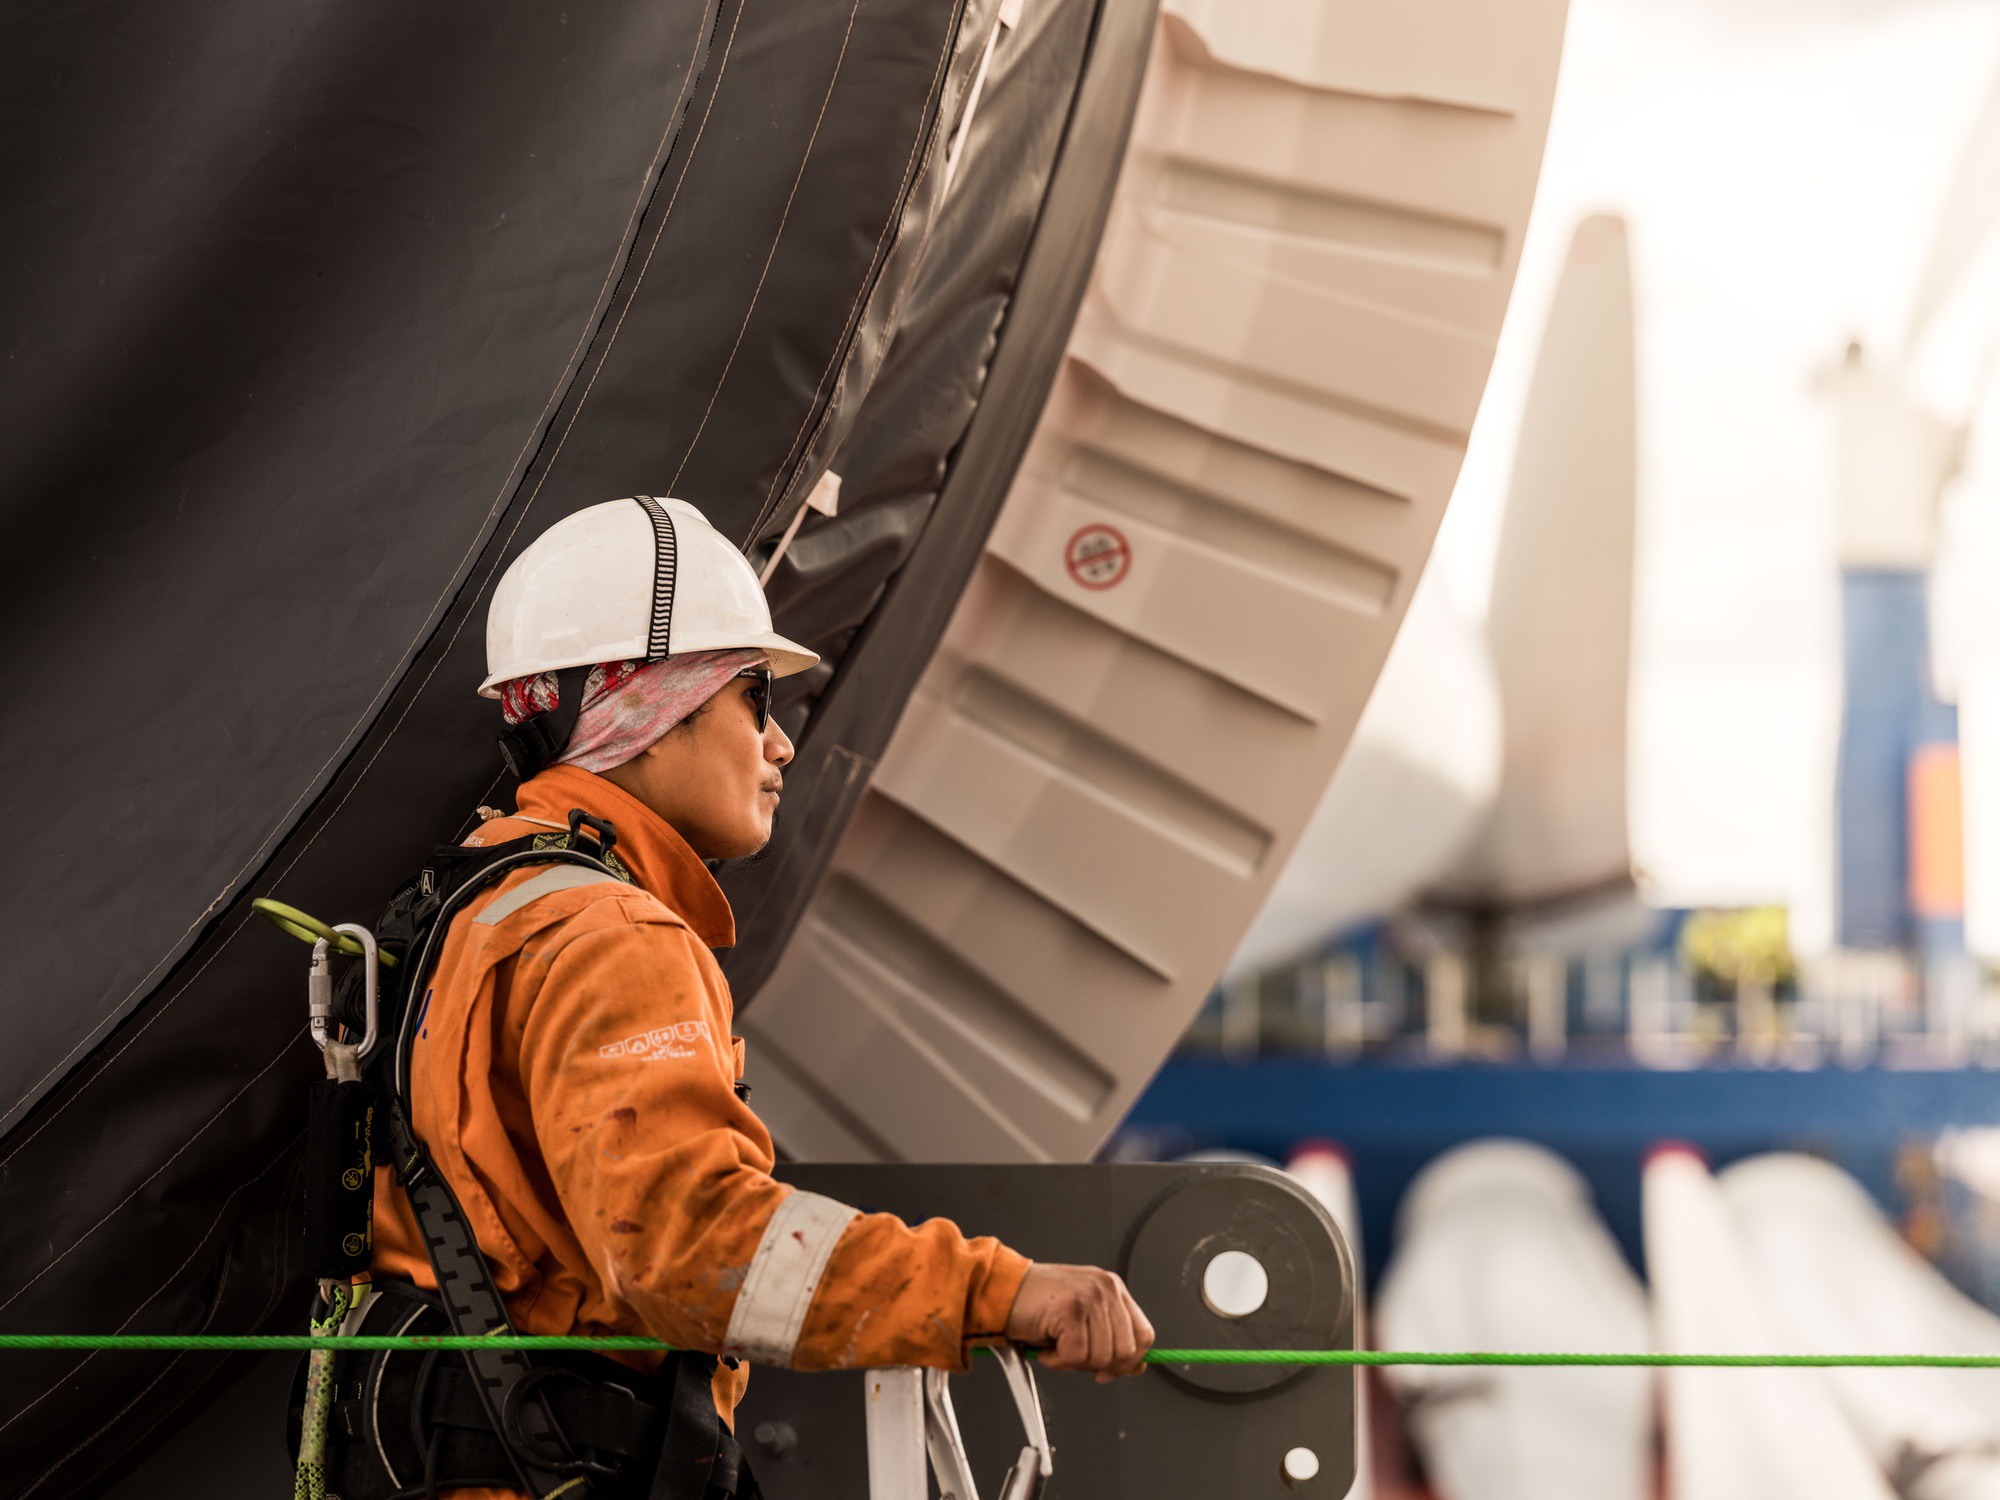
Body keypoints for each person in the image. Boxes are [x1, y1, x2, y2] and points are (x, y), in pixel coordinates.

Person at [365, 495, 1153, 1498]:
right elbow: (691, 1246)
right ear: (650, 712)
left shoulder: (475, 907)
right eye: (754, 698)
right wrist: (1001, 1292)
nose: (779, 745)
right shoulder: (611, 937)